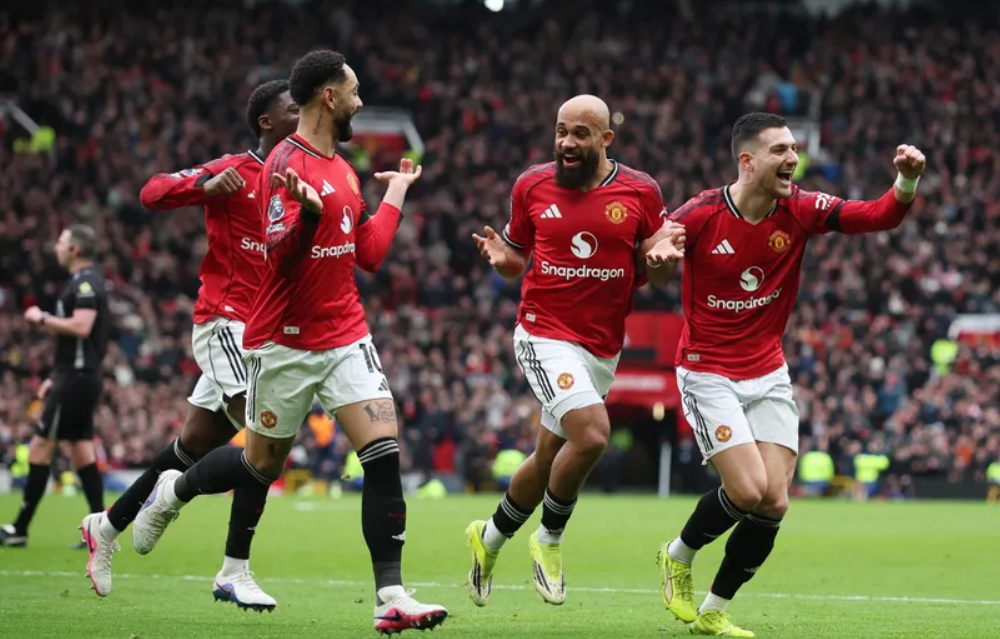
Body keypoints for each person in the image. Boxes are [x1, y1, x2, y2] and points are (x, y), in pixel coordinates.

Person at [132, 50, 448, 634]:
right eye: (354, 91)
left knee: (384, 452)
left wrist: (397, 193)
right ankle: (173, 490)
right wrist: (305, 216)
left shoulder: (343, 168)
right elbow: (278, 262)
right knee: (261, 463)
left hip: (345, 334)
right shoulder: (284, 165)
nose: (359, 102)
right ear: (329, 96)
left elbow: (369, 254)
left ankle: (391, 596)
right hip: (283, 343)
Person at [645, 112, 926, 637]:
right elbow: (652, 261)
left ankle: (713, 610)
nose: (793, 158)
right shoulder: (701, 213)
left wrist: (906, 180)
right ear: (747, 161)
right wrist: (659, 256)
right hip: (708, 371)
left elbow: (879, 215)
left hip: (768, 370)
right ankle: (677, 554)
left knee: (774, 500)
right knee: (747, 490)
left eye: (794, 148)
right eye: (780, 150)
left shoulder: (800, 209)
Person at [78, 80, 299, 607]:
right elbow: (152, 191)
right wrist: (205, 186)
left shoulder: (297, 180)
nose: (303, 114)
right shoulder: (234, 169)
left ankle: (106, 525)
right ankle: (233, 569)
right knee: (265, 438)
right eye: (294, 108)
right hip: (226, 323)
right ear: (266, 121)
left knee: (191, 446)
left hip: (265, 333)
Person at [464, 94, 681, 607]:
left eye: (580, 133)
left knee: (547, 459)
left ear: (606, 138)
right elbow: (517, 257)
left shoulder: (640, 190)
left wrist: (664, 260)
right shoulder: (531, 185)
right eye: (561, 131)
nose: (567, 142)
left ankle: (488, 538)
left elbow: (659, 269)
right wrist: (502, 259)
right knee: (593, 434)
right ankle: (549, 538)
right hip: (543, 333)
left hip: (601, 347)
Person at [0, 225, 112, 549]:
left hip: (76, 378)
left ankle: (20, 528)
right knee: (81, 449)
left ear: (75, 249)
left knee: (40, 446)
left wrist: (41, 317)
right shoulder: (84, 280)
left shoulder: (86, 282)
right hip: (76, 375)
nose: (57, 247)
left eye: (62, 242)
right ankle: (100, 531)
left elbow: (82, 326)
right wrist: (55, 375)